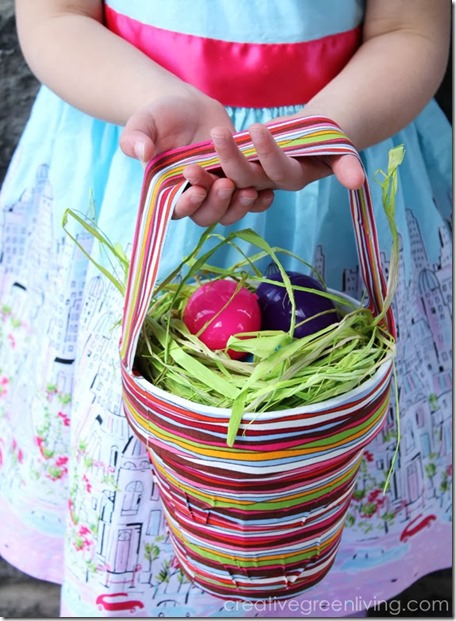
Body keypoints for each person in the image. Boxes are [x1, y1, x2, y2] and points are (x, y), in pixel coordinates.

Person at [0, 0, 451, 617]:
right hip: (144, 154)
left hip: (339, 149)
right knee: (156, 422)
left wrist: (316, 132)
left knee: (317, 438)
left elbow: (410, 28)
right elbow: (54, 18)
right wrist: (157, 100)